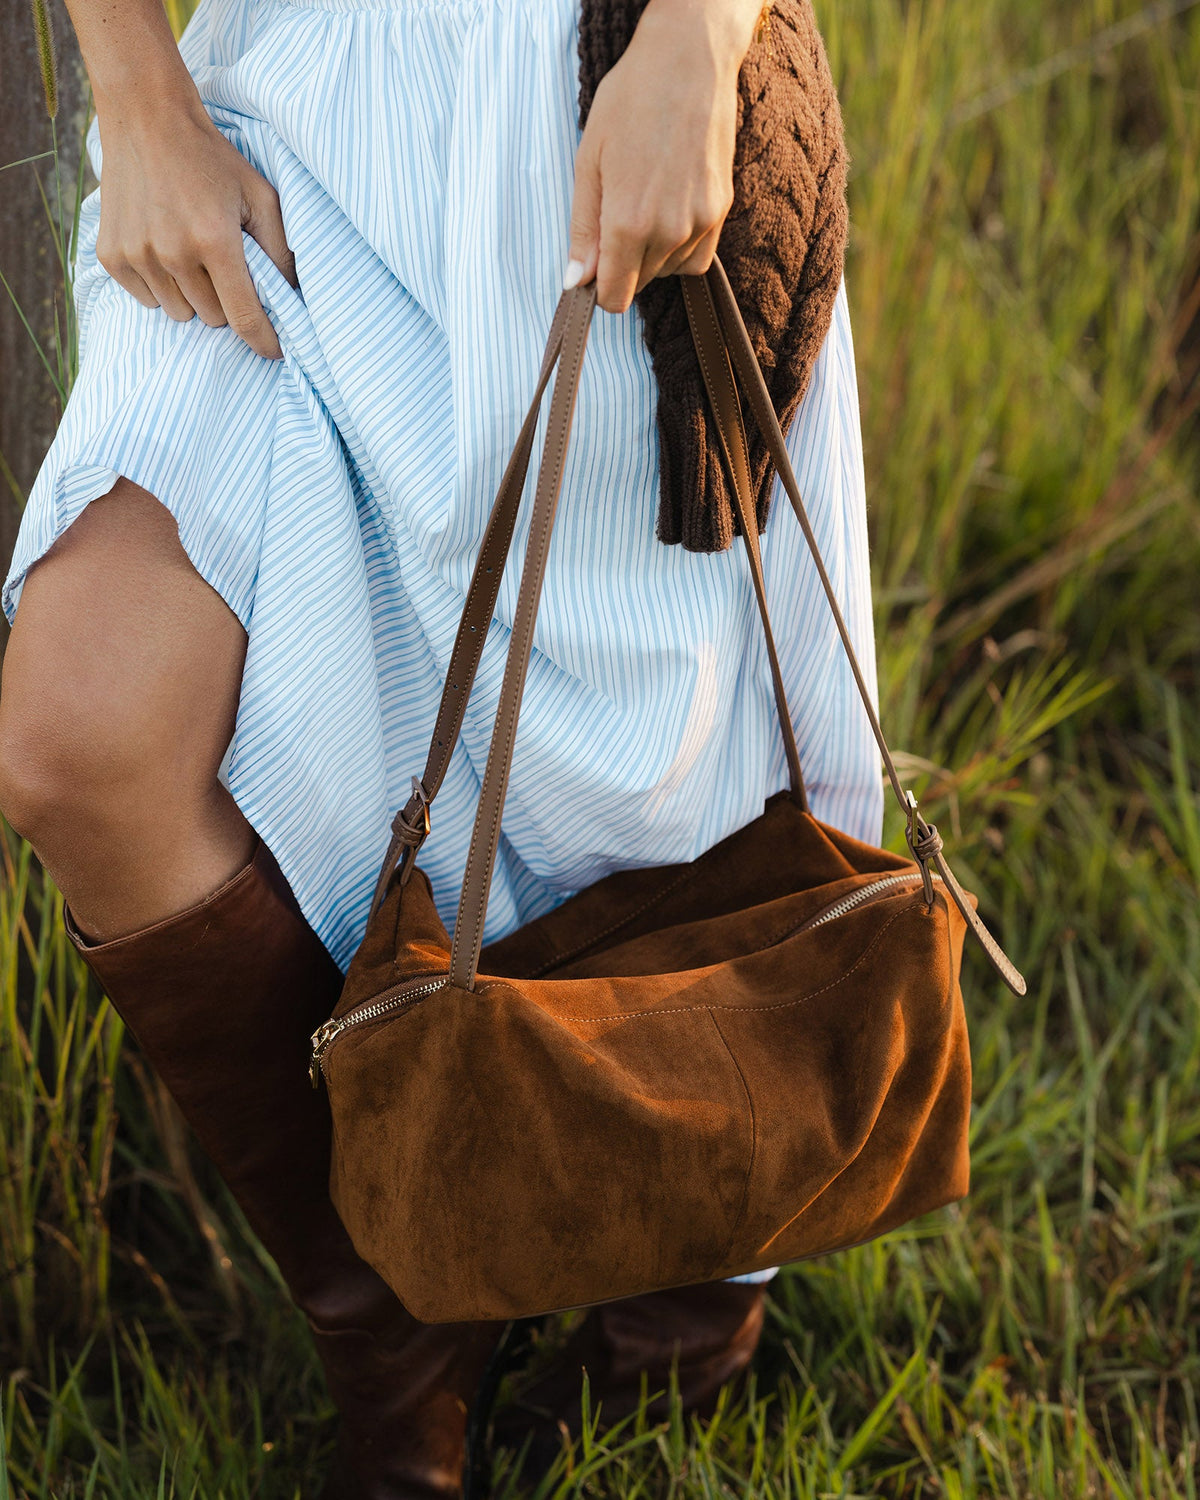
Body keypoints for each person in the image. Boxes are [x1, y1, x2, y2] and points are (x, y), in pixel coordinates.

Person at [0, 0, 883, 1493]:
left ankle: (683, 1304)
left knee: (647, 786)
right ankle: (401, 1320)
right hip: (268, 136)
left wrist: (697, 41)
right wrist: (137, 95)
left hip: (598, 106)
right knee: (80, 739)